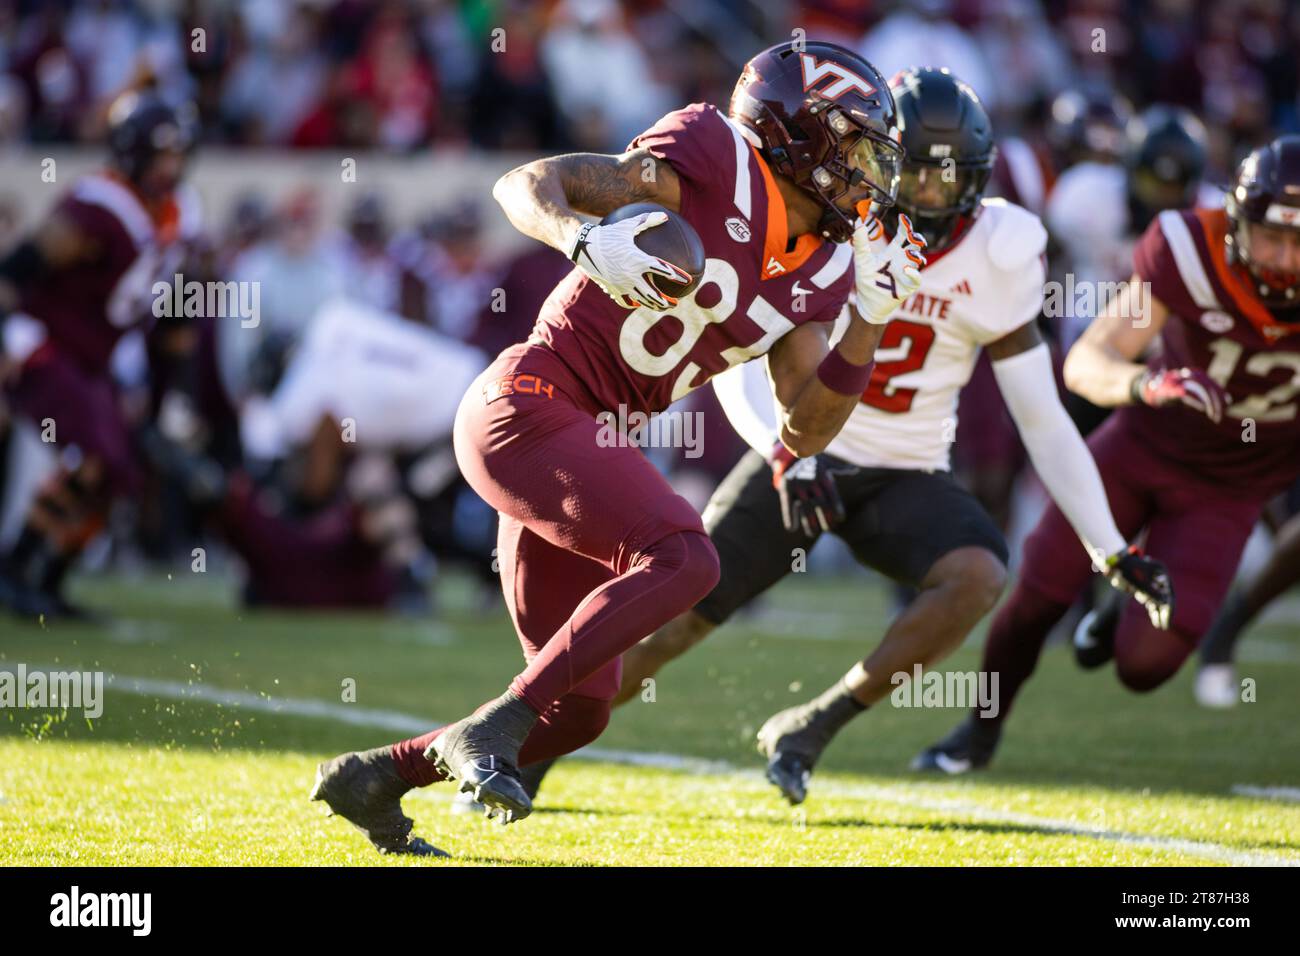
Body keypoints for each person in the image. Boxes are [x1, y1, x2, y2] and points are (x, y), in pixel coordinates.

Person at [309, 40, 926, 856]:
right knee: (689, 558)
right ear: (796, 134)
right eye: (851, 149)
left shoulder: (828, 270)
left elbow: (803, 428)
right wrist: (576, 236)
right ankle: (489, 727)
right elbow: (527, 183)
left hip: (583, 447)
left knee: (581, 710)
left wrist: (872, 323)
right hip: (526, 405)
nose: (865, 174)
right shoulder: (711, 157)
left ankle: (381, 777)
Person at [506, 68, 1174, 809]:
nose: (922, 196)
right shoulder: (826, 222)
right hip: (795, 447)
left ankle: (814, 727)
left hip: (905, 467)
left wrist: (1108, 545)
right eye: (910, 173)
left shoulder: (1004, 247)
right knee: (672, 619)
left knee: (979, 573)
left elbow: (1042, 417)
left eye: (944, 179)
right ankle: (523, 749)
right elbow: (740, 343)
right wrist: (789, 453)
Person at [917, 135, 1300, 774]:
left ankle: (1124, 602)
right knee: (1038, 595)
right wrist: (1147, 384)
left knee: (1143, 667)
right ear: (1236, 223)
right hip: (1142, 448)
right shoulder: (1190, 247)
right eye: (1271, 238)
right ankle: (978, 731)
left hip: (1228, 488)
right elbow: (1088, 361)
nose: (1286, 259)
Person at [0, 91, 198, 619]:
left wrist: (165, 396)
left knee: (120, 473)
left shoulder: (174, 216)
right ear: (132, 153)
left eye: (177, 156)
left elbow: (174, 316)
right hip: (44, 345)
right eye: (161, 156)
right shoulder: (99, 204)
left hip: (91, 359)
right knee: (95, 457)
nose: (170, 168)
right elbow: (22, 266)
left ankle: (51, 580)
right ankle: (17, 568)